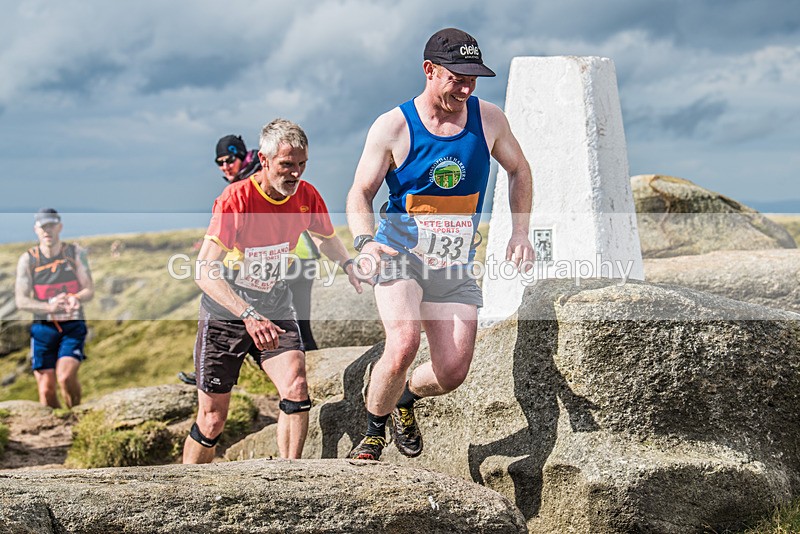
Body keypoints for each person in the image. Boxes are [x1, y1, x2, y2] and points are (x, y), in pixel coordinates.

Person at [345, 28, 535, 460]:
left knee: (452, 372)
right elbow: (360, 192)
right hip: (400, 255)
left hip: (453, 265)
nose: (466, 89)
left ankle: (405, 398)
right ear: (429, 70)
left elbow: (519, 169)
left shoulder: (489, 120)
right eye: (457, 79)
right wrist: (365, 242)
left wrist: (520, 231)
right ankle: (373, 434)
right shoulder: (393, 126)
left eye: (473, 80)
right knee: (404, 344)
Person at [182, 119, 361, 463]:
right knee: (212, 420)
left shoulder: (306, 196)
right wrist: (248, 315)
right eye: (287, 165)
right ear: (264, 161)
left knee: (296, 388)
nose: (296, 173)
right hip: (227, 312)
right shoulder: (236, 199)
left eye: (302, 164)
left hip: (274, 303)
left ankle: (288, 475)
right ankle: (183, 485)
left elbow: (326, 239)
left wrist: (348, 264)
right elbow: (203, 271)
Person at [178, 135, 321, 385]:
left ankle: (308, 383)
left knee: (289, 326)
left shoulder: (257, 179)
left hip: (291, 261)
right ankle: (214, 369)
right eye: (219, 162)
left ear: (242, 156)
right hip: (285, 261)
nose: (225, 166)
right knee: (276, 323)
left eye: (229, 159)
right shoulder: (254, 176)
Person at [15, 208, 94, 409]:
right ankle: (56, 422)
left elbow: (89, 290)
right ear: (36, 230)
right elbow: (21, 301)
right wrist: (49, 307)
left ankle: (75, 416)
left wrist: (76, 298)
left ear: (60, 227)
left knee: (65, 377)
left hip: (72, 326)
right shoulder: (28, 260)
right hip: (43, 328)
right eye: (43, 227)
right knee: (46, 389)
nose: (47, 231)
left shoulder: (75, 254)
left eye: (51, 226)